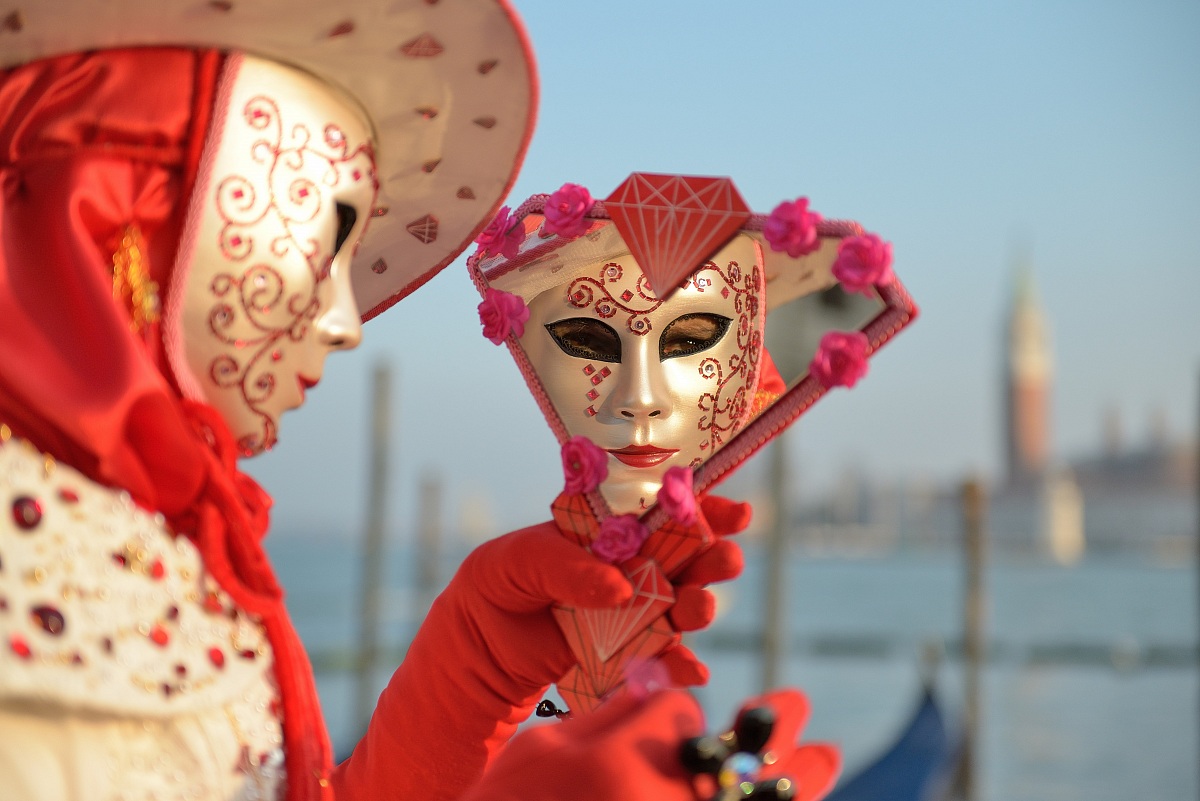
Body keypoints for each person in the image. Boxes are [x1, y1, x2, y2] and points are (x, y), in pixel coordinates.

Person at [0, 4, 757, 800]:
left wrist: (465, 680)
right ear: (123, 213)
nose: (344, 323)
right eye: (329, 238)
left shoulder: (144, 538)